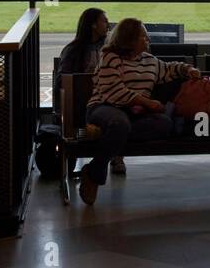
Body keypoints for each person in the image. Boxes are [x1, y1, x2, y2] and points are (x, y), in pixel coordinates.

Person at [81, 18, 200, 205]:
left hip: (135, 115)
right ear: (131, 40)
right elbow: (113, 92)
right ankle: (95, 173)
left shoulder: (150, 61)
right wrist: (148, 103)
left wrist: (188, 69)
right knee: (119, 123)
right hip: (106, 107)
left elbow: (169, 69)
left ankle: (107, 136)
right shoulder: (110, 58)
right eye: (144, 37)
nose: (148, 41)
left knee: (163, 124)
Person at [53, 7, 109, 114]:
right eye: (104, 21)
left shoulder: (108, 47)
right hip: (81, 100)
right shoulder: (73, 50)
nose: (108, 25)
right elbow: (63, 79)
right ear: (93, 25)